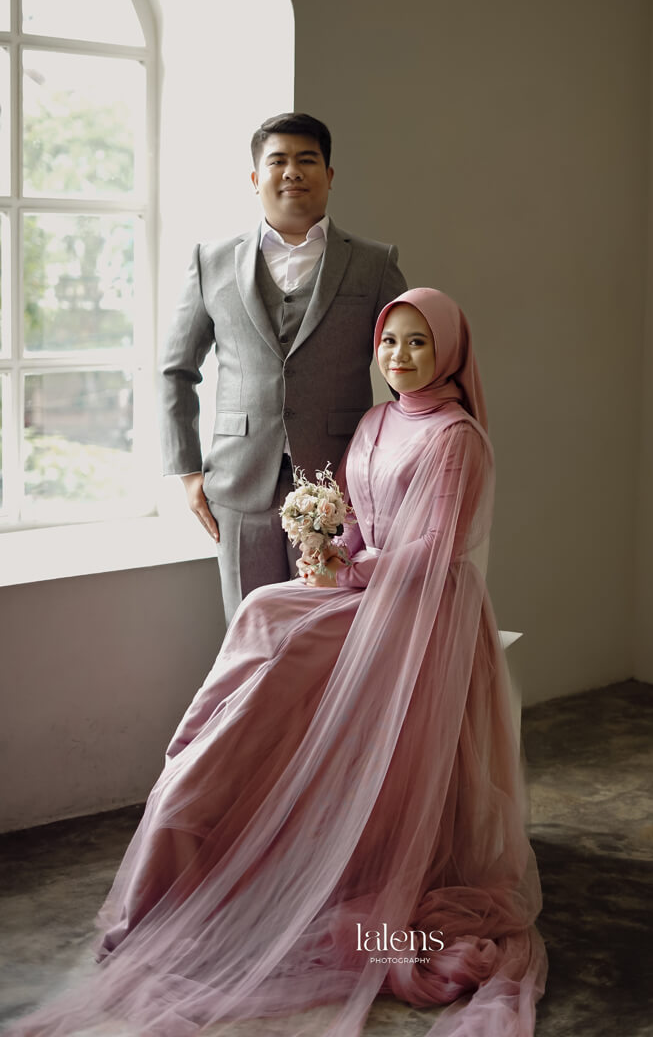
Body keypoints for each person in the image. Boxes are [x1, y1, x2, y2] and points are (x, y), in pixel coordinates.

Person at [11, 289, 546, 1037]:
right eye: (389, 341)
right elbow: (355, 517)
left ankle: (248, 774)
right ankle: (208, 757)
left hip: (419, 607)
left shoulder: (456, 438)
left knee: (282, 631)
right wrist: (328, 549)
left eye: (418, 342)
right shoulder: (377, 421)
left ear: (449, 351)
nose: (399, 356)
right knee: (266, 607)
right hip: (366, 585)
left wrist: (351, 570)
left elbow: (434, 548)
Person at [160, 111, 406, 622]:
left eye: (306, 159)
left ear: (329, 176)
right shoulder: (211, 261)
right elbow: (176, 370)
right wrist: (188, 473)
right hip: (237, 483)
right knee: (249, 632)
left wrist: (397, 468)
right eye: (278, 161)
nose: (292, 171)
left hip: (341, 486)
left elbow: (406, 373)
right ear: (256, 179)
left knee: (329, 634)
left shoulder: (374, 263)